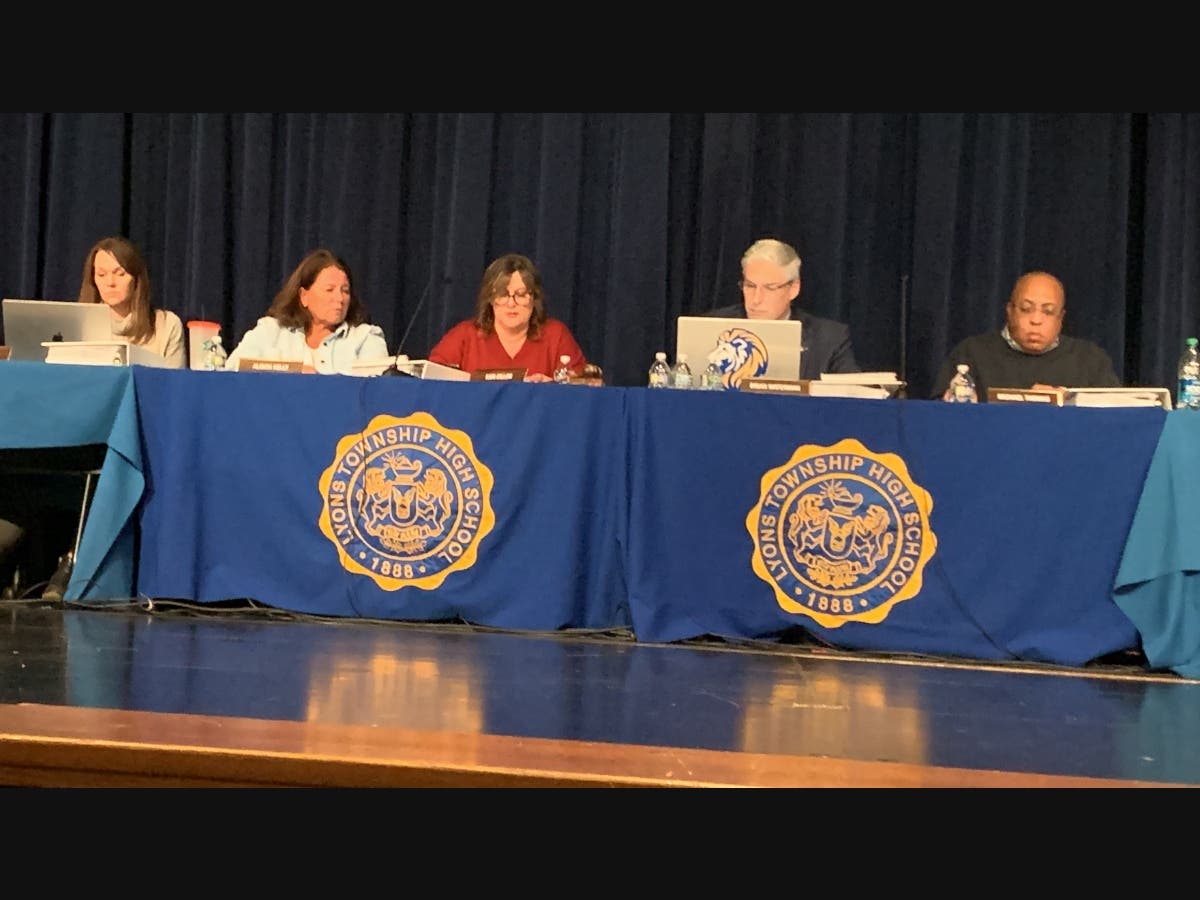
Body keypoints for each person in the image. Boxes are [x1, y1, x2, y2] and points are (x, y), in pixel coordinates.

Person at [930, 271, 1121, 401]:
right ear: (1010, 311)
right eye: (1026, 309)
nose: (1036, 320)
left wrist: (1068, 401)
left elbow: (1117, 415)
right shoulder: (972, 353)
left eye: (1048, 312)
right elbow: (939, 414)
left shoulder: (1090, 359)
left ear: (1060, 318)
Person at [706, 237, 860, 378]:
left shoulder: (829, 340)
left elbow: (853, 394)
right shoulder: (711, 327)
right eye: (750, 286)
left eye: (770, 288)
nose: (756, 299)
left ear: (793, 289)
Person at [429, 253, 589, 383]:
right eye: (503, 294)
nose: (511, 303)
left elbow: (584, 387)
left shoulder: (556, 335)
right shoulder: (464, 336)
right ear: (490, 298)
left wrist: (552, 388)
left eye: (521, 295)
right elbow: (431, 380)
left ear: (534, 298)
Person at [225, 248, 389, 374]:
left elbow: (377, 391)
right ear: (304, 296)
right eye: (329, 290)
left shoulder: (366, 338)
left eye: (345, 291)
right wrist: (292, 371)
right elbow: (233, 368)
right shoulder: (271, 331)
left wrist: (317, 383)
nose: (340, 298)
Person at [79, 236, 185, 367]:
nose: (110, 282)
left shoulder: (167, 325)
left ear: (136, 279)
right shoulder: (79, 326)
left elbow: (175, 379)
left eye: (120, 274)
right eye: (101, 274)